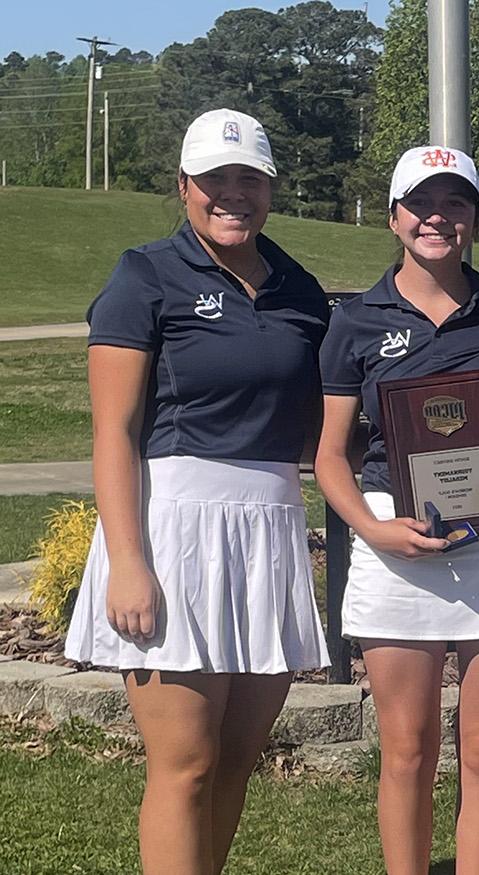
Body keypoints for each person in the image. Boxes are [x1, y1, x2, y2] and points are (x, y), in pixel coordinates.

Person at [64, 108, 330, 875]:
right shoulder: (143, 275)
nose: (233, 194)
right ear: (184, 186)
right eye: (216, 179)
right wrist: (127, 559)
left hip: (270, 525)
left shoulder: (300, 291)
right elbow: (114, 432)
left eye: (249, 179)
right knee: (184, 764)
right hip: (174, 529)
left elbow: (319, 426)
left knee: (237, 759)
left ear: (270, 189)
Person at [314, 146, 479, 875]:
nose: (437, 218)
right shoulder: (355, 320)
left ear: (474, 218)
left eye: (455, 203)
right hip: (396, 540)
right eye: (422, 203)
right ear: (394, 218)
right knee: (408, 747)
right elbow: (329, 456)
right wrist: (375, 529)